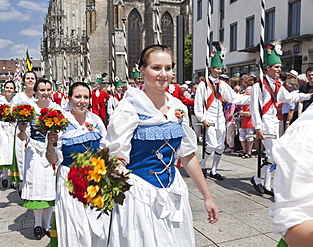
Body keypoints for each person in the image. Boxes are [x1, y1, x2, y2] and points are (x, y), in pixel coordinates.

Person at [106, 44, 218, 246]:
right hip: (139, 194)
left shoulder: (177, 106)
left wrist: (207, 197)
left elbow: (187, 155)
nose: (163, 74)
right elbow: (116, 157)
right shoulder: (128, 109)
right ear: (142, 69)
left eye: (168, 68)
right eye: (156, 68)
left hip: (173, 190)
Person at [46, 82, 108, 246]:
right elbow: (52, 160)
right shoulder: (61, 122)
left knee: (98, 223)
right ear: (69, 98)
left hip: (94, 178)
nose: (82, 101)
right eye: (78, 96)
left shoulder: (95, 120)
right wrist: (49, 145)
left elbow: (105, 148)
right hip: (70, 178)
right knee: (76, 225)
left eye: (86, 97)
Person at [249, 43, 312, 196]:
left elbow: (290, 97)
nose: (279, 70)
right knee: (273, 154)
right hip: (265, 123)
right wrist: (258, 127)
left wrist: (308, 96)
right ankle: (257, 178)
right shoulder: (259, 86)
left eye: (280, 67)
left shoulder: (278, 85)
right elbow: (254, 108)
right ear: (268, 68)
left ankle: (265, 184)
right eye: (276, 67)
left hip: (274, 122)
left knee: (274, 155)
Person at [194, 41, 250, 180]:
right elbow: (198, 104)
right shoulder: (203, 85)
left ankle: (213, 170)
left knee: (220, 146)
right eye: (217, 69)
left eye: (220, 69)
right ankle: (202, 165)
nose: (219, 71)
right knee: (212, 144)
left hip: (220, 119)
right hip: (209, 118)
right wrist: (202, 118)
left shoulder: (223, 84)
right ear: (211, 68)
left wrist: (252, 98)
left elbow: (233, 98)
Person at [17, 78, 59, 240]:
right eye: (42, 90)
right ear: (35, 91)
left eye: (48, 89)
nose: (46, 93)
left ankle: (47, 224)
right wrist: (21, 129)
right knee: (36, 186)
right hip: (34, 152)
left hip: (51, 151)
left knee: (49, 186)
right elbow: (22, 137)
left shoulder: (56, 108)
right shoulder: (29, 109)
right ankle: (37, 223)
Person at [269, 103, 313, 247]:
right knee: (270, 157)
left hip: (274, 121)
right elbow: (295, 224)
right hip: (268, 122)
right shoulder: (306, 133)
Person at [11, 71, 37, 191]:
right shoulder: (18, 97)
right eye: (28, 78)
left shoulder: (38, 96)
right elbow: (13, 113)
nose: (30, 80)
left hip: (36, 132)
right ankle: (22, 185)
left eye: (32, 78)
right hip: (22, 130)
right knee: (21, 157)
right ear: (24, 81)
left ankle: (32, 184)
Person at [0, 81, 17, 188]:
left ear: (14, 90)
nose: (9, 90)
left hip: (13, 128)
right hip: (2, 128)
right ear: (3, 89)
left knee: (13, 152)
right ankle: (5, 176)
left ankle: (13, 178)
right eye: (7, 87)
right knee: (4, 151)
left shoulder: (16, 101)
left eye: (11, 88)